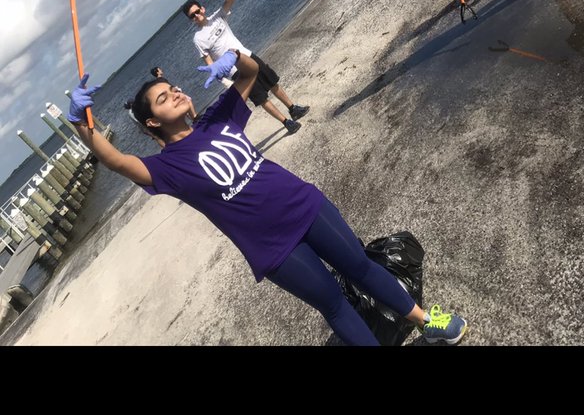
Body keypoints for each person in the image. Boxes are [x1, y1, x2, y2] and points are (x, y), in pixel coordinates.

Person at [67, 53, 469, 347]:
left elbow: (252, 73)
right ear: (152, 122)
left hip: (305, 205)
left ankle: (424, 322)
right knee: (334, 306)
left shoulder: (218, 118)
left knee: (361, 266)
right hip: (273, 247)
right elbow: (116, 161)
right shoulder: (165, 168)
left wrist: (234, 59)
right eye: (162, 99)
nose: (174, 94)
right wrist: (79, 125)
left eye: (172, 88)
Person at [183, 0, 308, 135]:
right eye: (192, 16)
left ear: (202, 9)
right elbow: (210, 64)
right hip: (235, 71)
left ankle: (293, 108)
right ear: (191, 20)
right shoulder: (198, 39)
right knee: (261, 98)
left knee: (272, 82)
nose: (196, 16)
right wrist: (223, 80)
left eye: (197, 11)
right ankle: (286, 123)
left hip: (247, 55)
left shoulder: (217, 17)